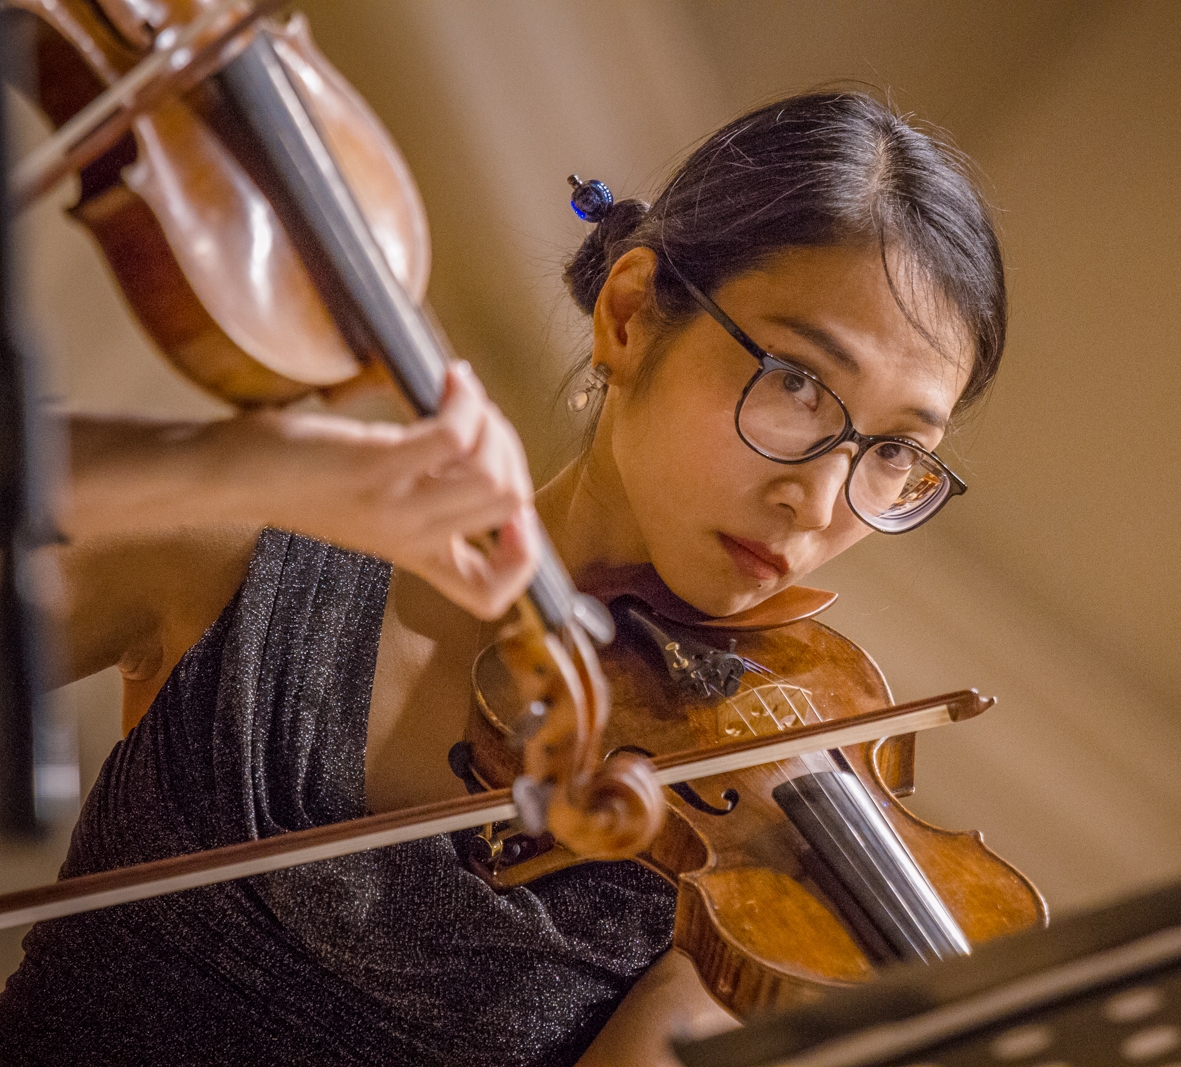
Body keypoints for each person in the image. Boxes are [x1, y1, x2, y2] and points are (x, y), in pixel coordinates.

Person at [0, 90, 1007, 1066]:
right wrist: (226, 461)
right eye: (795, 383)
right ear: (629, 313)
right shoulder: (247, 566)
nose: (821, 501)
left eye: (892, 454)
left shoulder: (746, 890)